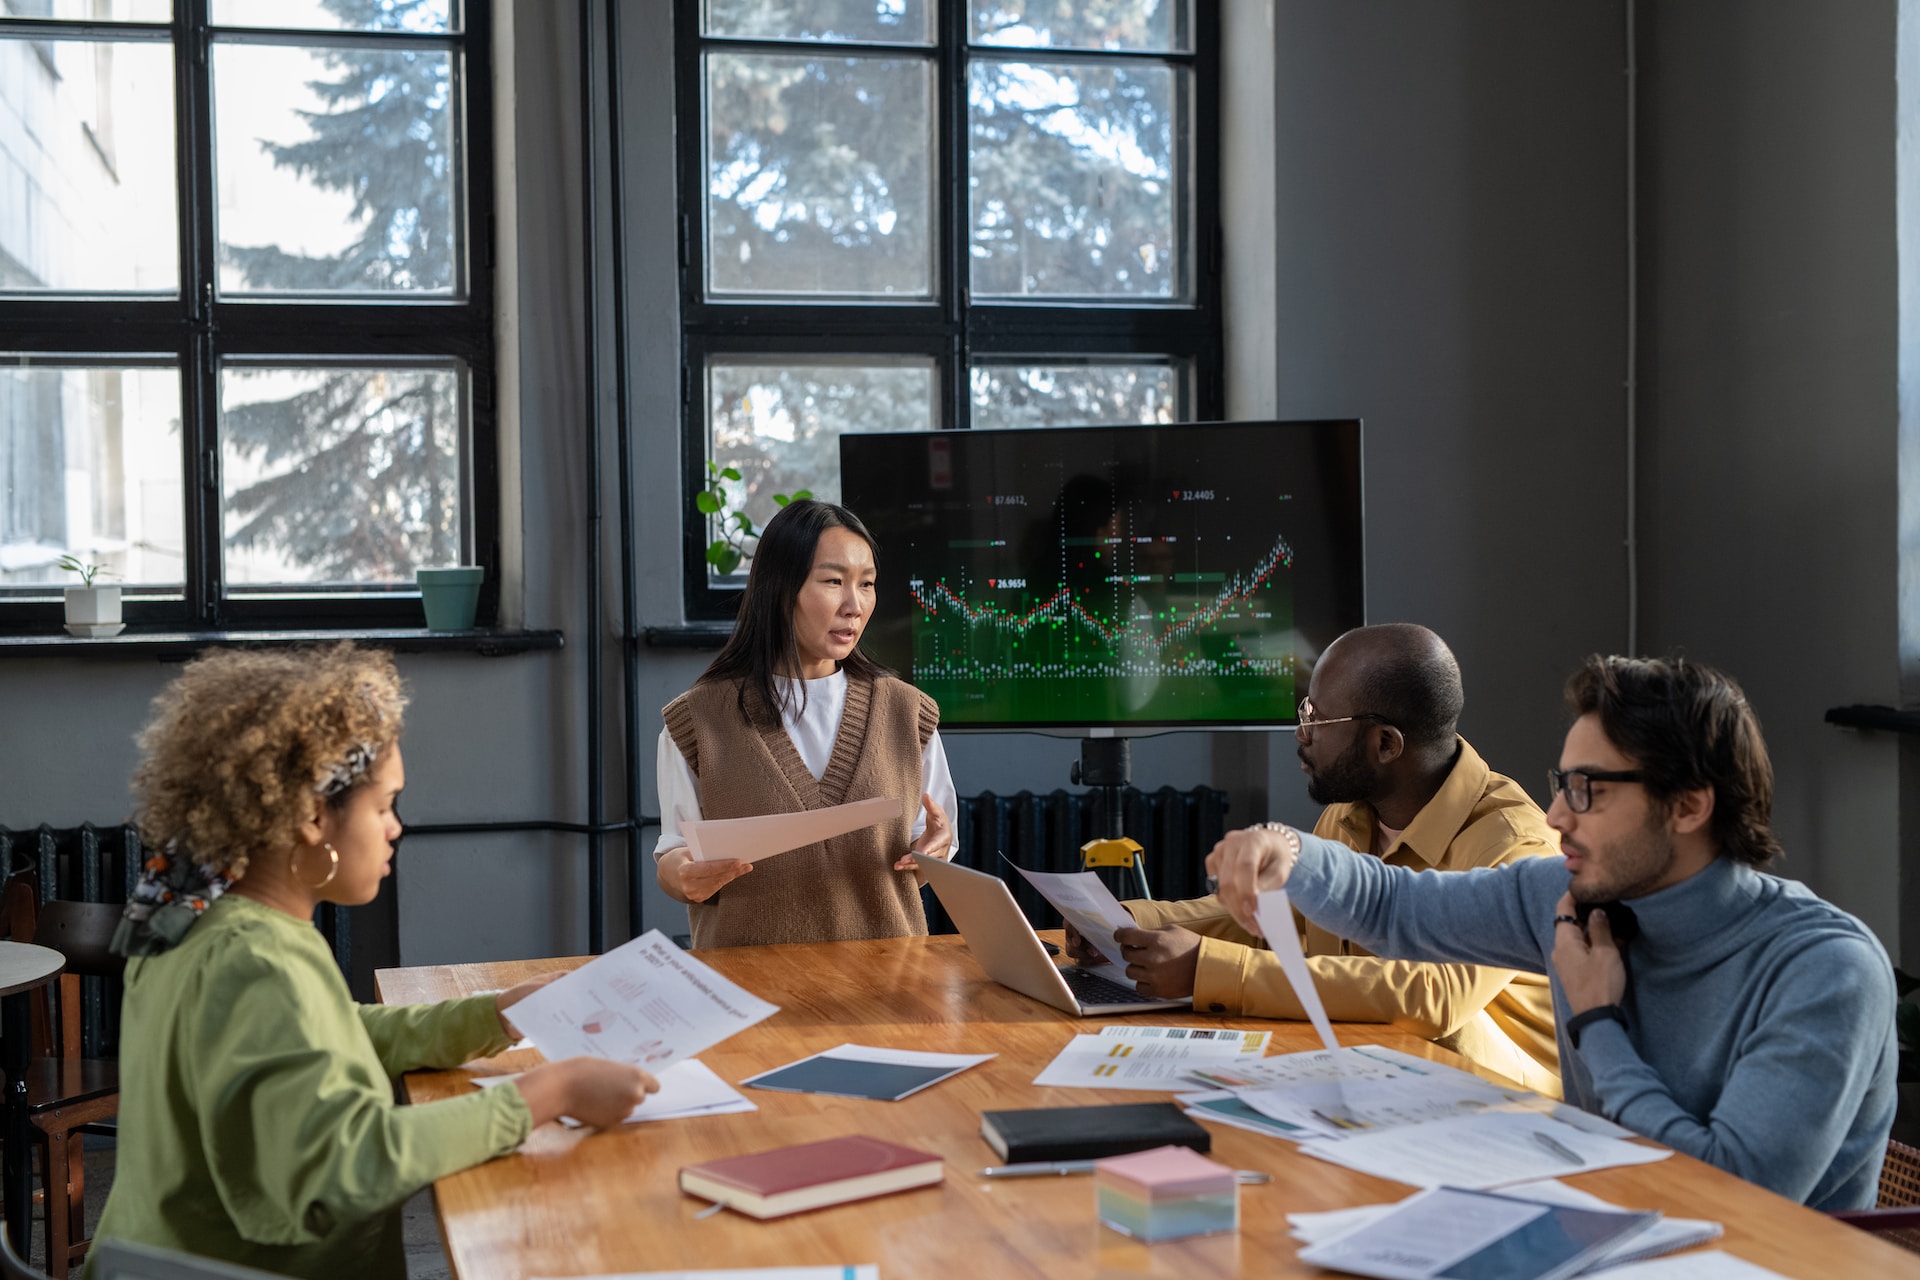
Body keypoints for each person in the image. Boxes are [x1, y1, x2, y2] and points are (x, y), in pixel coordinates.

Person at [1205, 653, 1897, 1211]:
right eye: (1560, 783)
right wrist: (1285, 850)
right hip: (1607, 1232)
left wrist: (1599, 1022)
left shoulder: (1824, 969)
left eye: (1588, 790)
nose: (1557, 815)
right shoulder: (1570, 897)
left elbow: (1732, 1192)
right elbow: (1395, 908)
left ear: (1688, 806)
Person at [90, 645, 657, 1279]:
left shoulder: (200, 916)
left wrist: (493, 1015)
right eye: (384, 805)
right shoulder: (254, 959)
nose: (395, 828)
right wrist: (551, 1090)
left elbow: (328, 1036)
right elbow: (349, 1167)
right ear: (310, 814)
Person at [1067, 623, 1563, 1095]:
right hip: (1367, 1075)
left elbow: (1434, 995)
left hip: (1498, 1104)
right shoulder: (1351, 813)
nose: (1301, 734)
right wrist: (1132, 923)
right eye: (1305, 710)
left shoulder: (1517, 844)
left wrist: (1210, 971)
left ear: (1386, 744)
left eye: (1317, 720)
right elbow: (1282, 912)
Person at [654, 498, 956, 948]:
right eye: (834, 581)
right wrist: (683, 876)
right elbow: (674, 854)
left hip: (888, 989)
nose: (854, 605)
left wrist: (935, 850)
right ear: (780, 589)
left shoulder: (908, 713)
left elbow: (931, 845)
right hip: (748, 992)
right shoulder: (696, 722)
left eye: (867, 584)